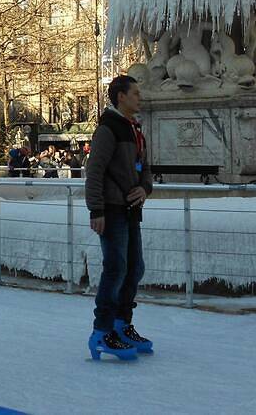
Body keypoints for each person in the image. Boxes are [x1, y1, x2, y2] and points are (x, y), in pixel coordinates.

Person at [84, 74, 154, 361]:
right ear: (121, 97)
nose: (140, 98)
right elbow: (95, 170)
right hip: (112, 209)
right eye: (135, 93)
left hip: (130, 208)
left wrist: (144, 188)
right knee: (116, 268)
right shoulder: (108, 129)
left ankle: (121, 324)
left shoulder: (135, 129)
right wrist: (96, 209)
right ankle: (101, 331)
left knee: (134, 267)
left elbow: (145, 167)